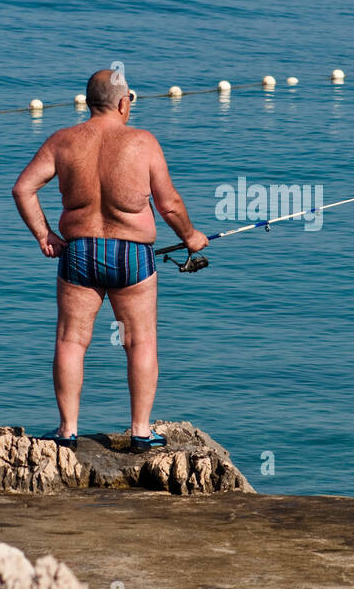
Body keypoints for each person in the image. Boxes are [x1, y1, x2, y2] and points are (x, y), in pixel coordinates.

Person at [11, 69, 208, 449]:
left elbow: (23, 189)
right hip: (132, 254)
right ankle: (140, 431)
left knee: (71, 341)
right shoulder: (143, 142)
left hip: (79, 252)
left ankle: (67, 431)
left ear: (88, 103)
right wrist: (191, 237)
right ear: (123, 103)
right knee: (140, 342)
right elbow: (168, 204)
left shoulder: (63, 141)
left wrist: (44, 235)